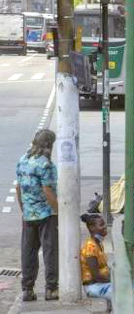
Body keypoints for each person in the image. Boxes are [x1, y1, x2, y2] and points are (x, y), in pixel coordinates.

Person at [15, 129, 59, 301]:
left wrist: (24, 208)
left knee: (28, 251)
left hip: (28, 214)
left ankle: (27, 289)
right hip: (45, 214)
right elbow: (47, 190)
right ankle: (51, 288)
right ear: (50, 145)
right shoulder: (45, 164)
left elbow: (18, 188)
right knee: (50, 251)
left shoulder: (23, 160)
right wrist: (58, 211)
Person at [80, 213, 134, 314]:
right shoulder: (90, 248)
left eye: (104, 224)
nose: (105, 227)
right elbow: (96, 276)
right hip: (94, 287)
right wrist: (117, 280)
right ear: (92, 228)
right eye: (101, 225)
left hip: (103, 283)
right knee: (130, 292)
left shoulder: (98, 243)